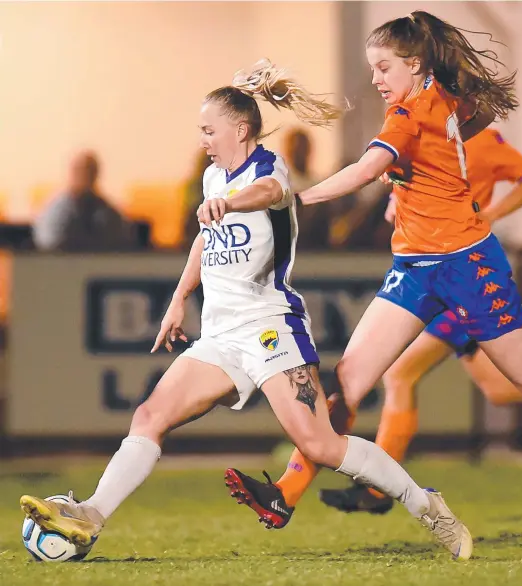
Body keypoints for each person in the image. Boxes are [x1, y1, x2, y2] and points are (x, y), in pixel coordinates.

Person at [19, 59, 473, 561]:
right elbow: (202, 241)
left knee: (320, 444)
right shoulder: (215, 177)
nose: (203, 140)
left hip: (270, 327)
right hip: (221, 336)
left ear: (240, 128)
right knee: (149, 415)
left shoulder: (266, 168)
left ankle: (426, 504)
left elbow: (272, 194)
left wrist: (231, 205)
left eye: (208, 129)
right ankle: (91, 515)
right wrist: (179, 298)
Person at [224, 11, 522, 535]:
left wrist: (296, 198)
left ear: (415, 64)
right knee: (348, 384)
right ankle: (284, 493)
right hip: (415, 269)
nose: (375, 79)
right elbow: (475, 117)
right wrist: (422, 179)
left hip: (469, 264)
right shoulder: (439, 99)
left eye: (382, 67)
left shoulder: (407, 116)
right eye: (372, 68)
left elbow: (365, 170)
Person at [320, 127, 522, 514]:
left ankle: (378, 491)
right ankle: (377, 489)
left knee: (401, 374)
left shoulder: (484, 141)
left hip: (466, 279)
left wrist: (489, 213)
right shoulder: (420, 136)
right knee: (508, 390)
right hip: (437, 278)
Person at [33, 150, 134, 252]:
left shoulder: (108, 214)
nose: (83, 176)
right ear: (71, 172)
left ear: (95, 175)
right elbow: (49, 243)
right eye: (79, 171)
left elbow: (120, 242)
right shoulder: (55, 212)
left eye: (88, 171)